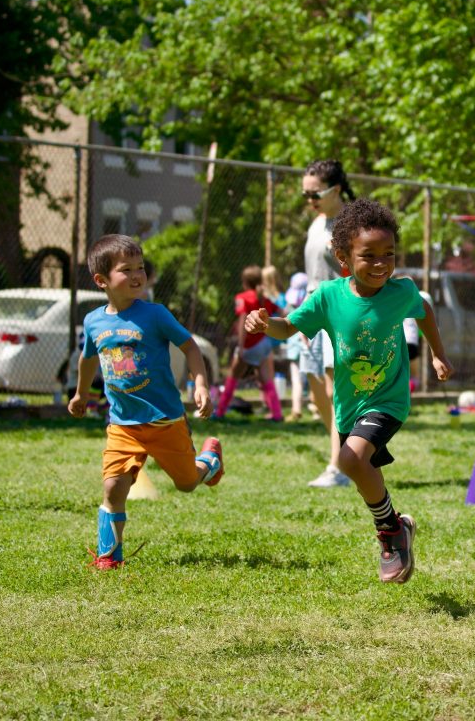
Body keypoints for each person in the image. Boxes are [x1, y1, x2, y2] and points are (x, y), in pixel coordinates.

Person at [244, 198, 454, 584]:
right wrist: (263, 323)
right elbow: (288, 327)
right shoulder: (328, 296)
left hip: (388, 398)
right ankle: (396, 525)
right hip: (349, 404)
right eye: (369, 256)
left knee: (351, 460)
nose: (380, 264)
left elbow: (424, 310)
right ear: (343, 256)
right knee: (353, 464)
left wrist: (438, 355)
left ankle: (389, 535)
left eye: (388, 254)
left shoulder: (400, 292)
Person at [68, 234, 224, 570]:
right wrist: (81, 393)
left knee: (186, 484)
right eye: (127, 270)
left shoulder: (155, 315)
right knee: (112, 488)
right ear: (102, 280)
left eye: (140, 268)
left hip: (165, 420)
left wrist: (200, 384)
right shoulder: (94, 321)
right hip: (123, 425)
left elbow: (191, 347)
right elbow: (87, 359)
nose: (138, 275)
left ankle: (208, 462)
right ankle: (111, 556)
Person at [301, 159, 354, 487]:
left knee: (337, 392)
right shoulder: (317, 222)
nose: (309, 201)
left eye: (314, 194)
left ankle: (339, 468)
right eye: (305, 195)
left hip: (338, 311)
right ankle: (345, 452)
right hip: (312, 310)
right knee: (315, 389)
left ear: (335, 190)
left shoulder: (349, 224)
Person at [215, 265, 283, 421]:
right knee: (267, 380)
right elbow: (282, 312)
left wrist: (240, 346)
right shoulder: (264, 298)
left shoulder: (243, 298)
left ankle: (219, 412)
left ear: (244, 282)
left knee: (232, 377)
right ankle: (277, 414)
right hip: (264, 343)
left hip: (249, 345)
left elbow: (243, 322)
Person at [283, 272, 311, 421]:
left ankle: (296, 409)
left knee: (296, 379)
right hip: (308, 346)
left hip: (295, 348)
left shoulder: (290, 306)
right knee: (314, 378)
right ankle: (315, 408)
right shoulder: (310, 305)